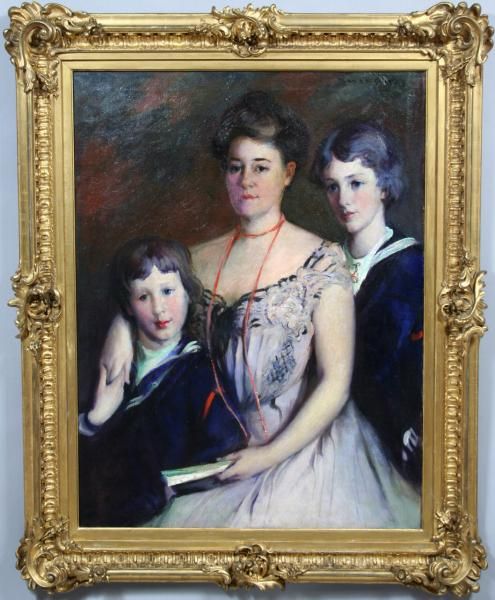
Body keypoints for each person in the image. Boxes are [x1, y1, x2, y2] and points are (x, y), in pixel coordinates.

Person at [101, 92, 419, 528]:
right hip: (210, 453)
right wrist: (121, 329)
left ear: (288, 174)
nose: (246, 180)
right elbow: (147, 295)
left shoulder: (323, 262)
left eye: (261, 167)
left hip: (299, 455)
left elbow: (335, 383)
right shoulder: (193, 259)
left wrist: (267, 456)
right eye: (236, 167)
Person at [78, 237, 247, 527]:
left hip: (158, 518)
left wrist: (164, 485)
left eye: (168, 291)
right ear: (128, 307)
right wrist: (93, 421)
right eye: (143, 297)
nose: (159, 309)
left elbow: (225, 455)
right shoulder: (111, 363)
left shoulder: (200, 373)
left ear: (188, 293)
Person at [312, 121, 424, 487]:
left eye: (356, 183)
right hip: (319, 427)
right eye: (333, 186)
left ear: (384, 186)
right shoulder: (320, 265)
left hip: (384, 438)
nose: (343, 200)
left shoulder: (412, 267)